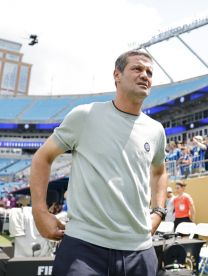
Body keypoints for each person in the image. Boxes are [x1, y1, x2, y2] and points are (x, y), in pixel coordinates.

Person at [30, 50, 168, 276]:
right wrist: (39, 211)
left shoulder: (156, 130)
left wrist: (159, 212)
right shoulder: (85, 116)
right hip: (84, 249)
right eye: (137, 69)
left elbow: (159, 171)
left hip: (139, 250)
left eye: (149, 72)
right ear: (117, 75)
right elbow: (42, 158)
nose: (145, 75)